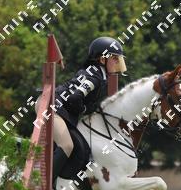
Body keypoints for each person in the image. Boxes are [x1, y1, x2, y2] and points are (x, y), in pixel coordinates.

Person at [49, 36, 127, 182]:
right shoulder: (94, 76)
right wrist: (84, 110)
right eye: (114, 59)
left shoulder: (99, 75)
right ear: (102, 59)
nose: (118, 62)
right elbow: (74, 98)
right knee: (67, 145)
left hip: (61, 110)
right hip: (53, 106)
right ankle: (46, 184)